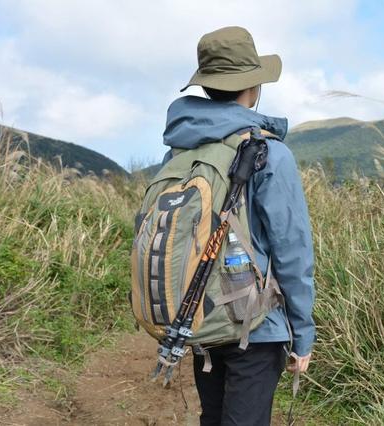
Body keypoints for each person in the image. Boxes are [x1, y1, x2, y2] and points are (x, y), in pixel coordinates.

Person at [159, 26, 315, 426]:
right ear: (253, 87)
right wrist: (302, 331)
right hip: (257, 325)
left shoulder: (181, 153)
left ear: (208, 87)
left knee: (213, 417)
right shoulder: (270, 153)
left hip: (201, 318)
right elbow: (292, 250)